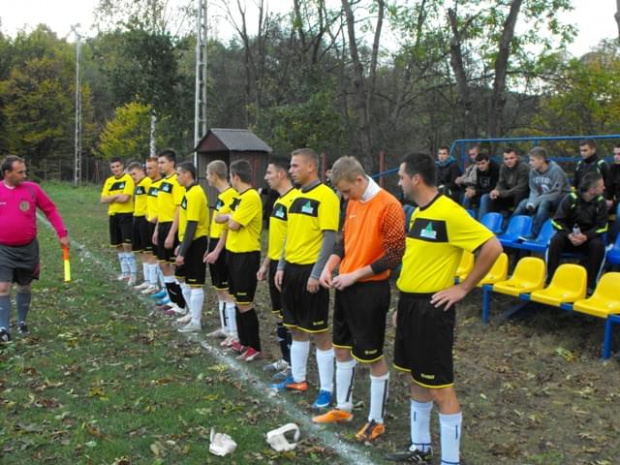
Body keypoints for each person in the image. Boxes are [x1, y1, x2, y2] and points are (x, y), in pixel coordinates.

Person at [385, 152, 502, 465]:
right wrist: (402, 304)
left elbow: (492, 247)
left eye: (400, 176)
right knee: (416, 379)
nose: (398, 181)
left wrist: (463, 287)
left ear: (416, 179)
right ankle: (420, 449)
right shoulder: (418, 213)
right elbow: (417, 261)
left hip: (432, 309)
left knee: (440, 388)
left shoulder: (449, 212)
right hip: (410, 306)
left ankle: (451, 461)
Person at [312, 156, 405, 443]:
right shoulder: (352, 202)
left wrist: (355, 275)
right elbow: (343, 241)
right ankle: (344, 408)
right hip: (345, 287)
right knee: (341, 348)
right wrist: (329, 267)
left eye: (345, 191)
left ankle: (376, 420)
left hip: (370, 291)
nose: (344, 197)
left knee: (371, 356)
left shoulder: (389, 206)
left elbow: (394, 255)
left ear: (359, 180)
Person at [273, 148, 340, 410]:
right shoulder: (295, 197)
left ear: (311, 167)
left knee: (320, 332)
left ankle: (326, 389)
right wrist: (280, 265)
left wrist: (317, 273)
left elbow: (329, 237)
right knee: (295, 327)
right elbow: (289, 234)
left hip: (311, 273)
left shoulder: (326, 196)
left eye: (295, 165)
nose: (291, 170)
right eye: (290, 165)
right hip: (290, 270)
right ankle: (298, 379)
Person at [0, 155, 70, 342]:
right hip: (3, 249)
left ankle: (22, 322)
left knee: (24, 286)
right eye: (20, 172)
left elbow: (50, 210)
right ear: (7, 173)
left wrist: (61, 233)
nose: (25, 175)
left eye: (25, 171)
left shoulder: (33, 189)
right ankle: (3, 328)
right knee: (3, 287)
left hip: (28, 248)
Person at [257, 156, 299, 378]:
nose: (266, 178)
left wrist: (280, 265)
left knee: (290, 318)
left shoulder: (295, 201)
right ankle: (285, 359)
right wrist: (266, 264)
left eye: (269, 173)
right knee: (279, 316)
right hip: (274, 264)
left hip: (288, 267)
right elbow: (276, 239)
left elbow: (291, 239)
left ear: (281, 174)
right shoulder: (279, 201)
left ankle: (295, 365)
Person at [219, 159, 263, 361]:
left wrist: (229, 217)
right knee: (237, 300)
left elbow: (234, 224)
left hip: (246, 255)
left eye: (230, 177)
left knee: (245, 302)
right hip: (233, 253)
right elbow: (220, 218)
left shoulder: (251, 197)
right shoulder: (237, 197)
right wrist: (229, 217)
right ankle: (243, 342)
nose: (230, 180)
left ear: (236, 177)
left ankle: (254, 346)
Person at [547, 172, 608, 291]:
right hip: (569, 237)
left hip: (588, 239)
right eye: (601, 186)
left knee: (598, 245)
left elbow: (602, 227)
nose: (604, 188)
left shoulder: (601, 202)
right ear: (592, 190)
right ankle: (550, 280)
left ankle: (590, 285)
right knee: (555, 240)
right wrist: (569, 235)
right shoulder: (571, 198)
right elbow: (557, 221)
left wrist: (585, 236)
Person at [204, 161, 239, 346]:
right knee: (219, 289)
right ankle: (225, 328)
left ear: (215, 174)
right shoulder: (221, 195)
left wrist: (217, 250)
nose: (207, 178)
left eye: (208, 174)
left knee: (226, 290)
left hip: (223, 247)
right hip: (214, 242)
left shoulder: (231, 195)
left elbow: (228, 228)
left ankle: (234, 331)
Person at [173, 162, 209, 333]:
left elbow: (193, 224)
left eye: (178, 174)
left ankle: (196, 321)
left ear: (187, 174)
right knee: (182, 278)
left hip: (196, 243)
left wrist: (183, 251)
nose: (176, 177)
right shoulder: (188, 192)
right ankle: (191, 312)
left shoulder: (195, 193)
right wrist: (181, 244)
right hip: (188, 242)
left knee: (195, 283)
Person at [152, 149, 187, 314]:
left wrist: (172, 233)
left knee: (173, 265)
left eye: (162, 162)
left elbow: (179, 208)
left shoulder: (176, 181)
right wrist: (157, 230)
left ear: (172, 163)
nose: (160, 165)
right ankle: (172, 300)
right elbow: (162, 208)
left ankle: (181, 304)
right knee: (163, 263)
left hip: (173, 226)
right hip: (163, 225)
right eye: (158, 163)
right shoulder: (163, 182)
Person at [511, 147, 570, 241]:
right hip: (542, 198)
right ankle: (510, 229)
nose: (529, 163)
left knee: (544, 202)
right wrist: (531, 202)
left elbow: (556, 192)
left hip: (560, 200)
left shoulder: (555, 170)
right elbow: (534, 190)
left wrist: (537, 201)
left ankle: (534, 234)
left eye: (532, 160)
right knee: (523, 203)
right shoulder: (533, 171)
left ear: (541, 160)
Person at [100, 157, 136, 284]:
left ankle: (133, 274)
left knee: (127, 244)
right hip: (113, 215)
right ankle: (125, 273)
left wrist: (111, 197)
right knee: (118, 245)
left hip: (126, 215)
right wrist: (116, 196)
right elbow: (103, 199)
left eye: (117, 166)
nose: (115, 169)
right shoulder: (109, 181)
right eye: (113, 167)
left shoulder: (128, 179)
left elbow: (125, 198)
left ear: (122, 166)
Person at [478, 148, 529, 220]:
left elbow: (521, 188)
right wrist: (496, 191)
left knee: (519, 195)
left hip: (522, 194)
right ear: (503, 160)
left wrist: (501, 193)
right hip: (509, 193)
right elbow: (501, 183)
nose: (509, 161)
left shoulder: (523, 167)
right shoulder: (503, 167)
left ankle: (513, 222)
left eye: (511, 158)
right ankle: (492, 223)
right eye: (506, 159)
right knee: (492, 197)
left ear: (516, 158)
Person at [127, 161, 153, 290]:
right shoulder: (138, 185)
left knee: (148, 251)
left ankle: (153, 283)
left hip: (145, 218)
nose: (133, 177)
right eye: (131, 175)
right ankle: (147, 280)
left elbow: (153, 200)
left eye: (134, 174)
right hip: (136, 217)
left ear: (142, 171)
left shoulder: (148, 182)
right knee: (141, 250)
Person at [141, 157, 164, 295]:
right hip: (148, 222)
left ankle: (157, 285)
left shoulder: (163, 184)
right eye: (147, 168)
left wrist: (157, 217)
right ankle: (151, 282)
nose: (148, 171)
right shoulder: (150, 184)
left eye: (151, 168)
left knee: (159, 256)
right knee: (149, 252)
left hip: (159, 224)